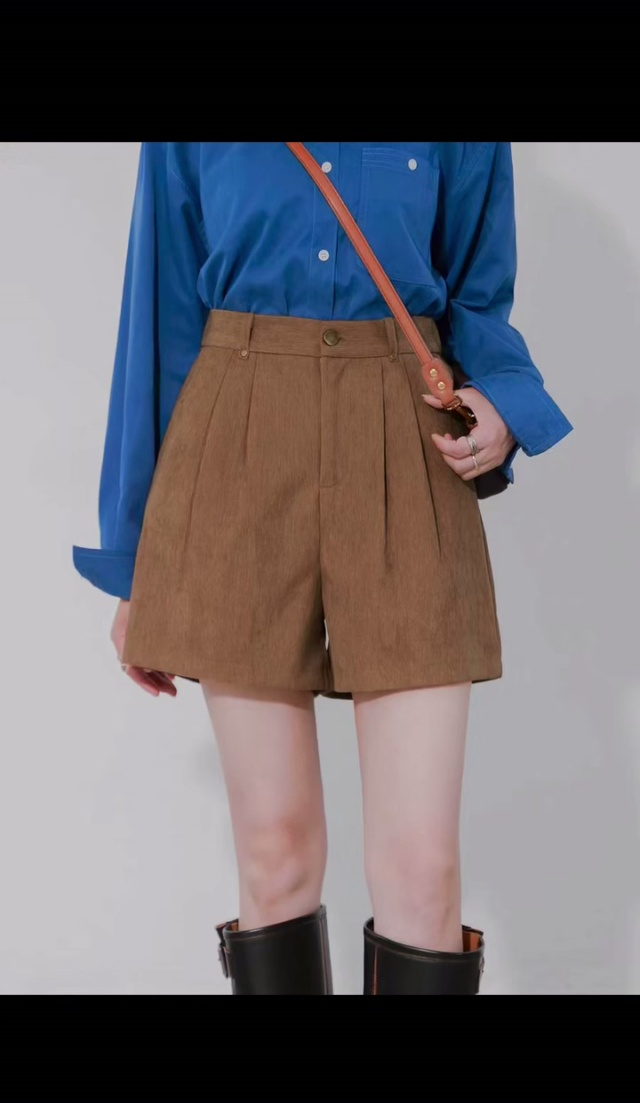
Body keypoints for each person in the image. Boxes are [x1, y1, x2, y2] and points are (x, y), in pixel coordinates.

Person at [73, 142, 572, 996]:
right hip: (236, 438)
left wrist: (503, 398)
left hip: (405, 436)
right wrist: (133, 565)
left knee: (421, 868)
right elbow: (158, 317)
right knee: (276, 852)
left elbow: (478, 297)